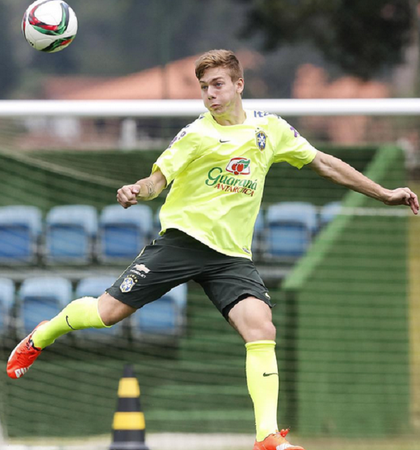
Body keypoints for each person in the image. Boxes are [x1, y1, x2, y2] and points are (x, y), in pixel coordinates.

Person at [7, 49, 419, 450]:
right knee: (106, 314)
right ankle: (45, 332)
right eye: (204, 87)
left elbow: (325, 163)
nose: (210, 94)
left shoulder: (270, 131)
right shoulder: (196, 134)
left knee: (261, 327)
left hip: (231, 257)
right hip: (182, 243)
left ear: (239, 85)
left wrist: (383, 193)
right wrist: (138, 190)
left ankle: (267, 436)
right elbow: (158, 179)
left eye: (218, 84)